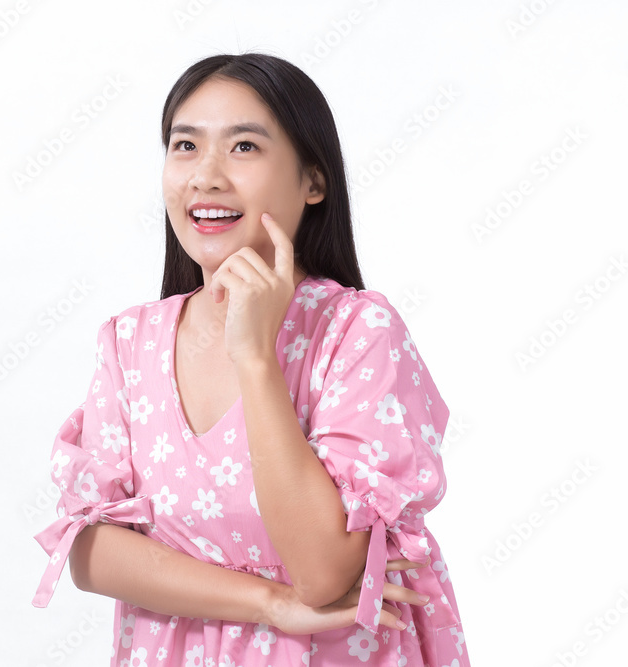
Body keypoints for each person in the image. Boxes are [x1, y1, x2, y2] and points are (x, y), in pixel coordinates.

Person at [32, 52, 470, 666]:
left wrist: (256, 359)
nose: (205, 176)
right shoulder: (129, 342)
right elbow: (89, 551)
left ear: (313, 182)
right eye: (185, 146)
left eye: (243, 147)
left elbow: (322, 573)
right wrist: (266, 601)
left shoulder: (357, 331)